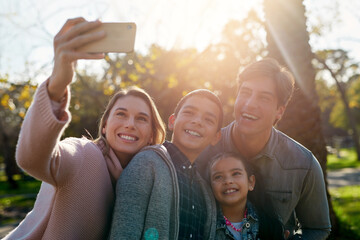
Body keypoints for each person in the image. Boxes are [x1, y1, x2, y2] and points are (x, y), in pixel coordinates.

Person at [3, 17, 166, 240]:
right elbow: (32, 159)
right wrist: (56, 87)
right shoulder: (84, 155)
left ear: (151, 136)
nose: (130, 123)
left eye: (141, 118)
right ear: (106, 125)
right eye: (121, 114)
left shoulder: (145, 183)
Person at [198, 58, 331, 239]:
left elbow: (318, 228)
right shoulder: (204, 150)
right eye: (245, 92)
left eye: (264, 97)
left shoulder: (303, 164)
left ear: (280, 111)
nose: (250, 103)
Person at [109, 89, 224, 239]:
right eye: (189, 113)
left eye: (208, 120)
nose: (197, 121)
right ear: (172, 121)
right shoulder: (146, 163)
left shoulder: (205, 191)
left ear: (216, 137)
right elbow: (124, 232)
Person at [209, 152, 285, 240]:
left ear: (251, 182)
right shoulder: (205, 225)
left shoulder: (269, 222)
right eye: (218, 177)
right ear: (210, 186)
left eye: (236, 173)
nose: (228, 181)